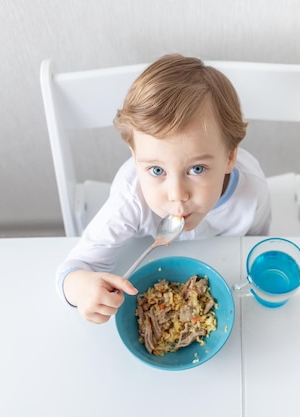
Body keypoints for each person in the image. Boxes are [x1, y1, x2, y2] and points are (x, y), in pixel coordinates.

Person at [56, 54, 272, 324]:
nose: (177, 195)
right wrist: (82, 289)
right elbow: (73, 269)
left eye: (197, 169)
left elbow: (255, 249)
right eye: (157, 171)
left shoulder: (252, 195)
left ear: (229, 157)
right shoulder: (130, 199)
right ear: (135, 160)